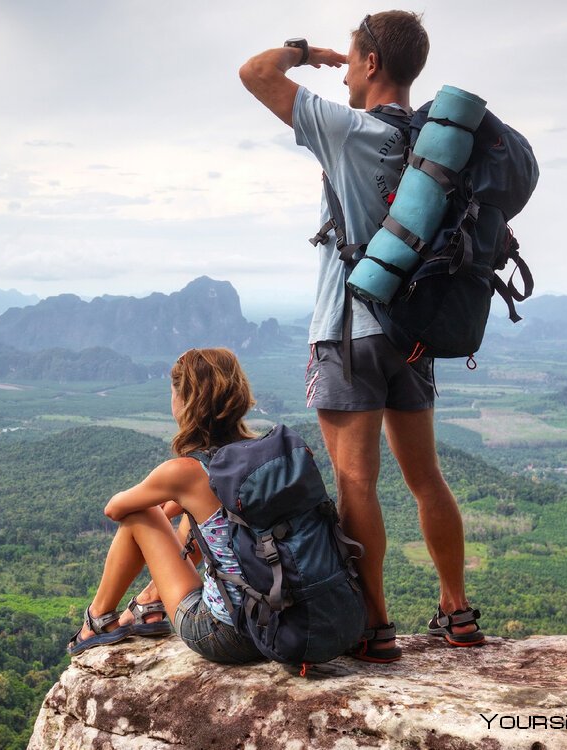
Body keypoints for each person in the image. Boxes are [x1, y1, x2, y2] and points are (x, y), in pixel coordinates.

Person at [237, 10, 483, 662]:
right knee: (426, 477)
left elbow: (253, 73)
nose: (343, 70)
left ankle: (374, 627)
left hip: (347, 333)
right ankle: (457, 611)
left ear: (372, 63)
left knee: (356, 483)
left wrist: (306, 51)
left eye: (351, 59)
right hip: (412, 334)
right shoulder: (433, 146)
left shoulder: (348, 130)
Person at [67, 348, 264, 664]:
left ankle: (97, 619)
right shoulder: (261, 454)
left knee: (140, 513)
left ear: (185, 401)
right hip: (283, 625)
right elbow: (200, 505)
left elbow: (115, 509)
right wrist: (179, 505)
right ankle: (149, 602)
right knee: (197, 514)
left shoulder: (185, 472)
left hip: (228, 635)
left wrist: (163, 509)